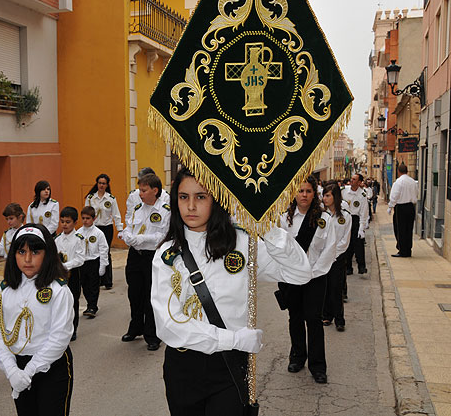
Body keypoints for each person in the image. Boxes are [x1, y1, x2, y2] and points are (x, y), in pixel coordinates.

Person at [151, 168, 312, 414]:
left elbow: (300, 273)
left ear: (217, 199)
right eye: (184, 197)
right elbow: (168, 324)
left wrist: (266, 226)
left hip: (230, 367)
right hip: (185, 367)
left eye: (201, 196)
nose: (191, 206)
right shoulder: (167, 255)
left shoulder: (243, 243)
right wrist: (234, 339)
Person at [0, 224, 74, 416]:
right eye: (21, 252)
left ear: (47, 254)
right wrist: (12, 370)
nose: (27, 259)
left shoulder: (58, 290)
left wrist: (28, 372)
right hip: (17, 367)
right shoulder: (5, 289)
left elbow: (59, 338)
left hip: (50, 367)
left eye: (35, 252)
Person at [278, 176, 336, 384]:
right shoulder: (284, 219)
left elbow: (330, 249)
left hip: (315, 277)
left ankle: (318, 366)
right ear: (294, 193)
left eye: (308, 191)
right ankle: (297, 356)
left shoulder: (324, 219)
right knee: (295, 318)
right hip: (291, 277)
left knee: (313, 319)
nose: (304, 195)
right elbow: (279, 249)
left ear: (315, 194)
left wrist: (314, 272)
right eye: (300, 191)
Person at [119, 172, 170, 351]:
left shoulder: (164, 210)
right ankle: (136, 327)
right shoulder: (137, 209)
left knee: (150, 296)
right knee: (134, 293)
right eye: (139, 190)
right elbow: (129, 227)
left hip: (151, 256)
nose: (140, 193)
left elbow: (161, 236)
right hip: (135, 256)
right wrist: (127, 236)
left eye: (143, 190)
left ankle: (153, 334)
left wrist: (141, 239)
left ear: (155, 190)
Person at [321, 182, 352, 331]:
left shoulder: (345, 216)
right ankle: (326, 315)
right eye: (324, 195)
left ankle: (340, 319)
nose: (324, 198)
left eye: (328, 195)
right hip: (322, 257)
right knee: (325, 287)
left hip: (337, 257)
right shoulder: (321, 215)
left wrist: (333, 254)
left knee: (336, 288)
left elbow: (344, 240)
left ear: (335, 196)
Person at [85, 174, 122, 290]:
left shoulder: (111, 199)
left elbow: (116, 214)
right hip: (94, 228)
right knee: (94, 252)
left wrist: (120, 229)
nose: (101, 185)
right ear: (97, 184)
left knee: (105, 252)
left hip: (107, 227)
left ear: (107, 185)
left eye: (104, 183)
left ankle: (107, 280)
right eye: (100, 183)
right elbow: (86, 212)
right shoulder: (90, 198)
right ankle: (97, 279)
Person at [55, 206, 85, 340]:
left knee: (73, 301)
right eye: (62, 221)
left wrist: (65, 266)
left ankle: (73, 328)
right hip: (59, 275)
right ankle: (61, 327)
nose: (64, 225)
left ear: (75, 223)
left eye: (68, 222)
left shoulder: (78, 238)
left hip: (73, 273)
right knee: (60, 302)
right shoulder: (57, 239)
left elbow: (80, 258)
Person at [77, 206, 108, 318]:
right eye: (83, 218)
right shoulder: (78, 233)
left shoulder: (98, 233)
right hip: (82, 262)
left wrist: (103, 265)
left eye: (88, 218)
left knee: (94, 285)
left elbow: (104, 249)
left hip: (94, 261)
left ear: (94, 219)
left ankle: (92, 306)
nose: (85, 220)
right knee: (85, 286)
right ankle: (90, 303)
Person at [388, 163, 418, 258]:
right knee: (409, 229)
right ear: (407, 171)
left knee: (400, 229)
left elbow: (394, 195)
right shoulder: (413, 181)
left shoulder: (398, 182)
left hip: (401, 207)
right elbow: (416, 193)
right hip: (411, 207)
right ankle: (408, 250)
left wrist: (390, 206)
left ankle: (402, 250)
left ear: (398, 171)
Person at [341, 173, 369, 277]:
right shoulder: (344, 190)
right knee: (347, 244)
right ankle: (348, 267)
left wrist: (361, 227)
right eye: (351, 179)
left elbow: (364, 212)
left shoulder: (362, 195)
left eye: (354, 179)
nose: (351, 180)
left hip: (355, 219)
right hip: (345, 218)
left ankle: (361, 266)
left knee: (358, 243)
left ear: (359, 182)